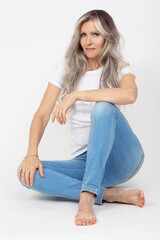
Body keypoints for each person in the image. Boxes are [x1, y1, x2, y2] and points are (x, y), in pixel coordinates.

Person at [17, 9, 145, 226]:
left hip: (121, 158)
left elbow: (129, 94)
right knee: (26, 174)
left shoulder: (120, 67)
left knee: (103, 107)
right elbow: (41, 115)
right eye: (83, 35)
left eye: (96, 34)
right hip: (85, 162)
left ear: (108, 37)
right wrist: (31, 154)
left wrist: (77, 95)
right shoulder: (66, 68)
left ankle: (87, 196)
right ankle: (108, 195)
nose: (88, 41)